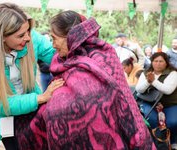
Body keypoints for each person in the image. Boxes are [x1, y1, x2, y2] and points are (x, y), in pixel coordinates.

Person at [14, 10, 155, 149]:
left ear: (71, 37)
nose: (53, 45)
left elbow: (112, 100)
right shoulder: (64, 60)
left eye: (54, 38)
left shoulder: (103, 56)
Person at [0, 3, 64, 149]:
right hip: (4, 117)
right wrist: (41, 98)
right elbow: (0, 103)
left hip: (32, 110)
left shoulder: (32, 38)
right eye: (20, 35)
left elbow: (59, 57)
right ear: (2, 36)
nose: (28, 38)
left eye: (28, 31)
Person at [136, 52, 177, 148]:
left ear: (166, 63)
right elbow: (139, 89)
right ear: (152, 62)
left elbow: (168, 90)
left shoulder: (173, 73)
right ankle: (156, 142)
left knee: (173, 122)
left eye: (161, 61)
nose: (158, 64)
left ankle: (173, 142)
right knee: (151, 119)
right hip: (149, 103)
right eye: (155, 61)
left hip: (169, 104)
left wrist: (153, 81)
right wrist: (148, 81)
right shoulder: (146, 72)